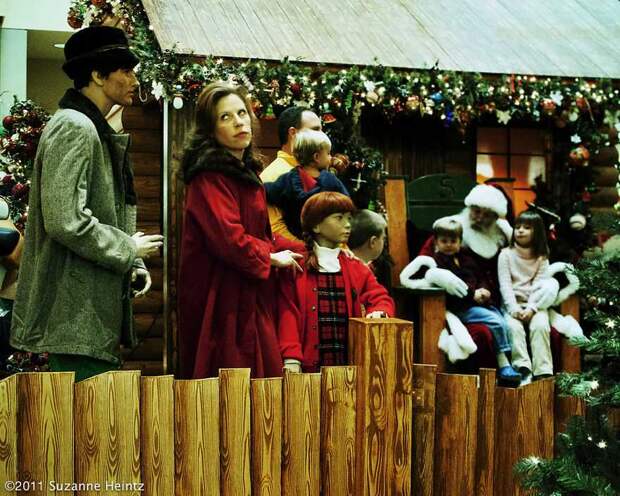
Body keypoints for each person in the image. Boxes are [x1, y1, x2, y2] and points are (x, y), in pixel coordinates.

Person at [10, 26, 163, 381]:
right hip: (76, 314)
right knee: (88, 413)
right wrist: (127, 248)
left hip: (86, 314)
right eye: (125, 70)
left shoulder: (90, 127)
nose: (133, 80)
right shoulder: (75, 126)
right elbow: (65, 219)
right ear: (97, 75)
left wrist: (130, 263)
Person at [178, 82, 303, 379]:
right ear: (211, 129)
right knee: (226, 382)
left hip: (247, 290)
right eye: (225, 117)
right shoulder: (209, 176)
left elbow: (260, 234)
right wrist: (270, 257)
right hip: (220, 297)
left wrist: (308, 249)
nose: (238, 122)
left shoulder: (246, 171)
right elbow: (229, 239)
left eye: (242, 113)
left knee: (259, 380)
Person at [402, 184, 560, 371]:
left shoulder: (503, 236)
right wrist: (437, 275)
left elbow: (530, 264)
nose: (479, 218)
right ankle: (502, 370)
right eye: (476, 211)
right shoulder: (451, 233)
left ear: (496, 217)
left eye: (487, 215)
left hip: (500, 301)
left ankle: (536, 375)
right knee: (485, 332)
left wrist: (543, 289)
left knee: (544, 328)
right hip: (458, 304)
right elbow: (423, 264)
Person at [278, 192, 395, 373]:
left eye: (349, 218)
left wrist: (379, 311)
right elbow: (288, 313)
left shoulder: (354, 266)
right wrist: (291, 356)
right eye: (339, 218)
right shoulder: (297, 265)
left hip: (347, 366)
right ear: (316, 225)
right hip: (307, 369)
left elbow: (380, 296)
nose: (347, 224)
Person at [430, 217, 520, 384]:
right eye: (444, 241)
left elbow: (480, 277)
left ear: (460, 241)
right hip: (459, 307)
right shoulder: (438, 262)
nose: (449, 245)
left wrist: (484, 290)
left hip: (477, 303)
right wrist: (472, 294)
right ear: (436, 242)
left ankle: (511, 364)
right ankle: (504, 363)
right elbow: (453, 288)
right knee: (496, 322)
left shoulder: (466, 258)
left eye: (453, 241)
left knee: (503, 320)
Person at [498, 211, 553, 384]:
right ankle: (522, 368)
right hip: (512, 305)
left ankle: (543, 372)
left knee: (540, 326)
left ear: (537, 231)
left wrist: (531, 308)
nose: (520, 230)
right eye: (517, 227)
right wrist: (514, 309)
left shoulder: (542, 258)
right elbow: (505, 285)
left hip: (535, 305)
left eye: (527, 227)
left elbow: (540, 286)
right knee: (513, 328)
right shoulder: (505, 255)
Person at [264, 129, 349, 239]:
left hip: (297, 239)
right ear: (316, 157)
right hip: (324, 239)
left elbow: (267, 191)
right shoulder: (330, 181)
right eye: (328, 153)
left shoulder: (287, 180)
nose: (330, 157)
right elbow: (346, 203)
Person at [260, 106, 322, 241]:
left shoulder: (317, 172)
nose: (322, 137)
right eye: (315, 130)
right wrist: (313, 251)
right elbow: (274, 230)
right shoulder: (272, 176)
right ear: (293, 133)